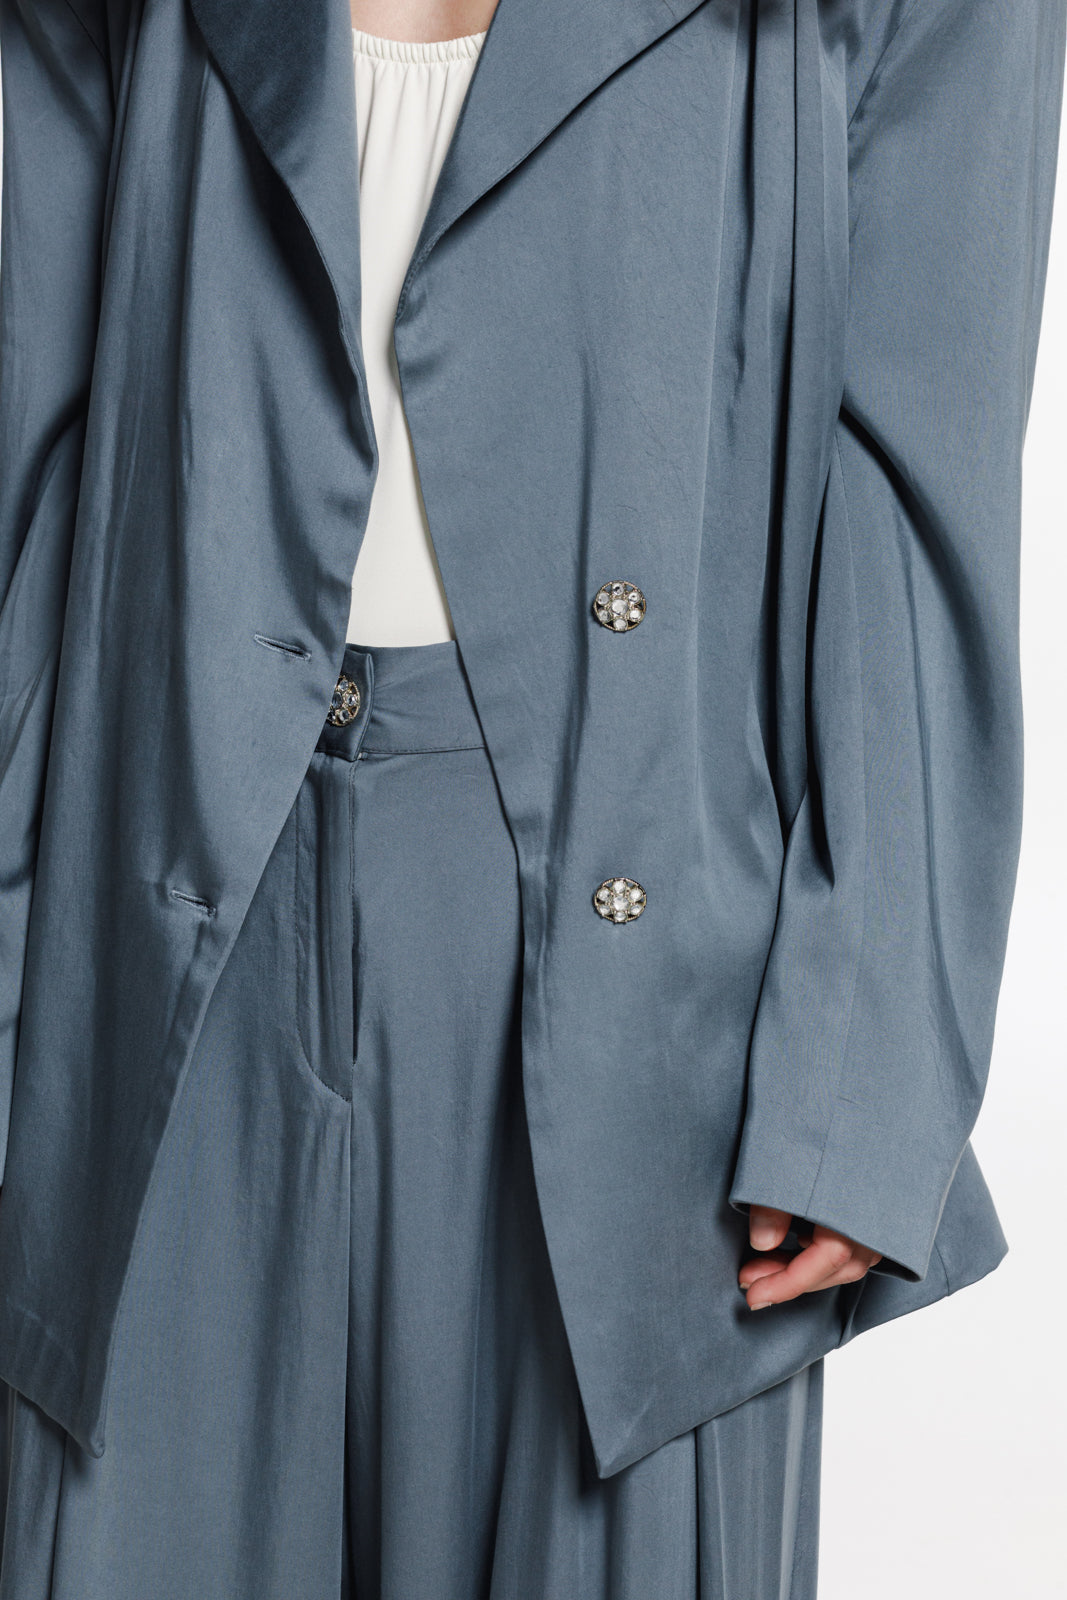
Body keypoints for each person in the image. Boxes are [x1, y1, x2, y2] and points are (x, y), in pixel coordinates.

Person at [0, 0, 1062, 1593]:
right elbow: (25, 425)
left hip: (657, 973)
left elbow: (927, 479)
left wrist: (859, 1077)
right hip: (148, 922)